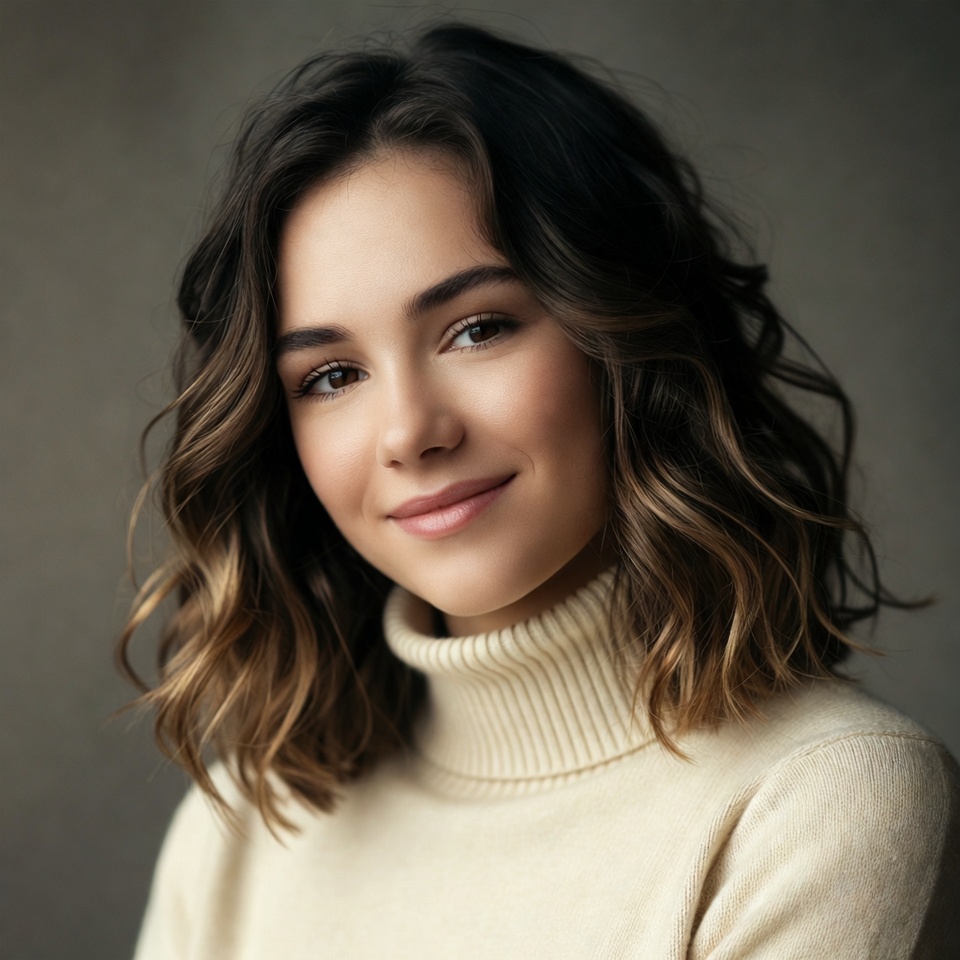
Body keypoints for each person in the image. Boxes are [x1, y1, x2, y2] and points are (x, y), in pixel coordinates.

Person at [121, 22, 958, 959]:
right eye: (331, 377)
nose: (409, 432)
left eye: (477, 328)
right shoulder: (243, 826)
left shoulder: (821, 804)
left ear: (625, 337)